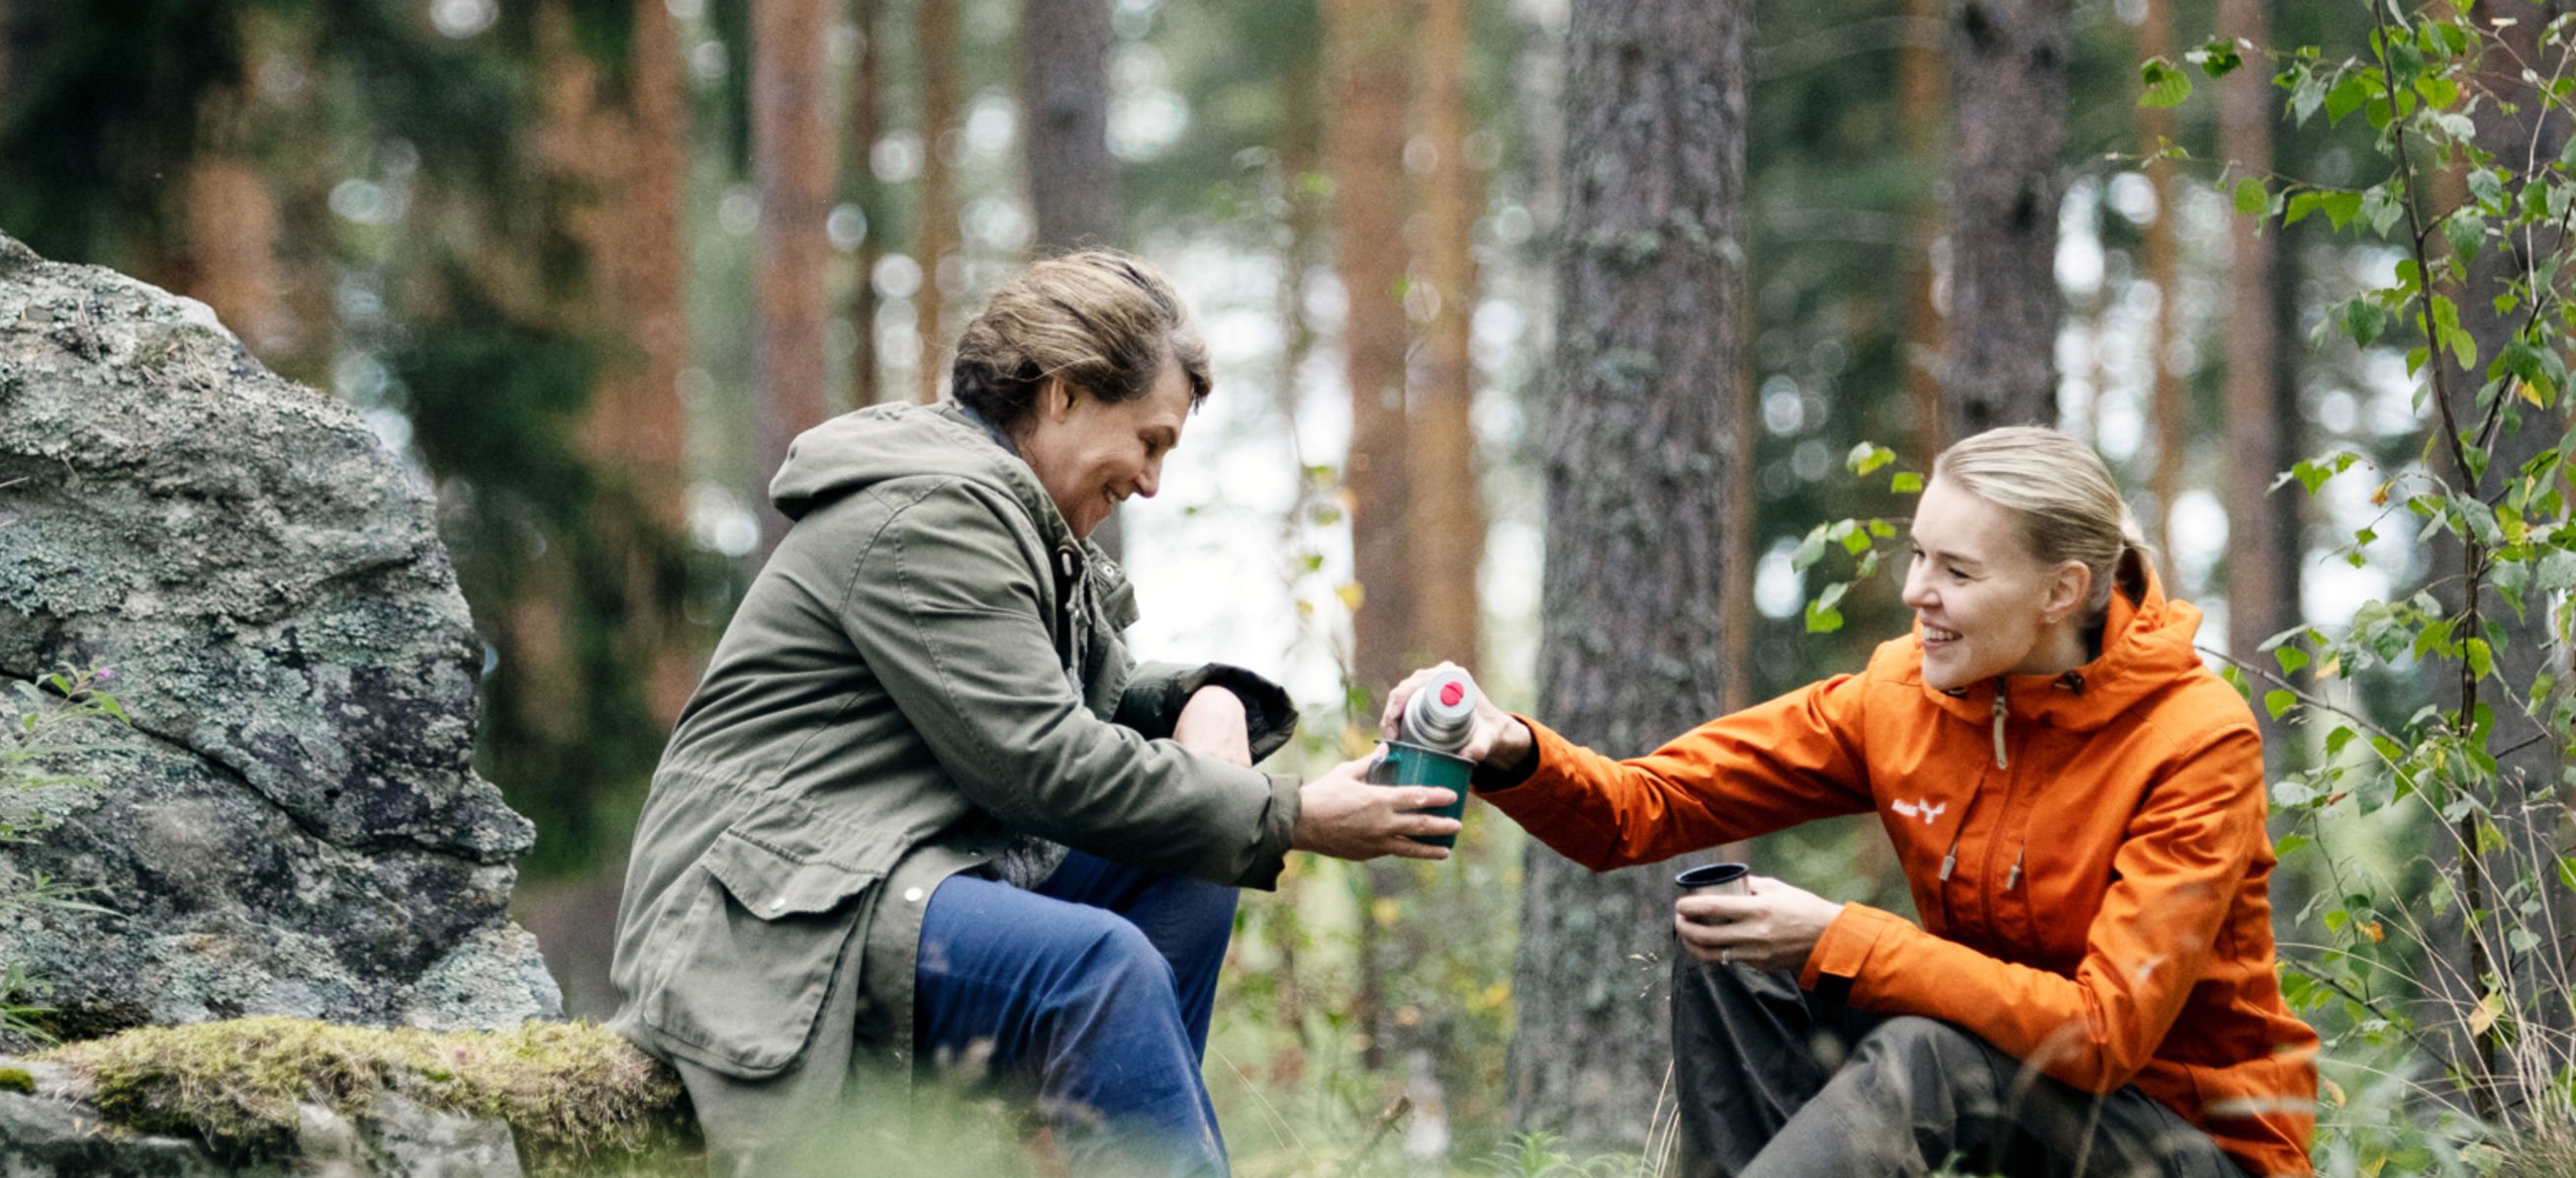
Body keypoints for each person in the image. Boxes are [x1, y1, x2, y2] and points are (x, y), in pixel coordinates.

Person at [609, 249, 1457, 1175]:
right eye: (1151, 440)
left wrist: (1207, 697)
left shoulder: (1003, 511)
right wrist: (1290, 813)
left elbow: (1076, 694)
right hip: (775, 917)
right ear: (1061, 395)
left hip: (875, 877)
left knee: (1187, 874)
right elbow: (1039, 759)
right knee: (1096, 969)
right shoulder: (933, 513)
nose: (1150, 481)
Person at [1397, 426, 2318, 1177]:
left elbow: (2100, 1034)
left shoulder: (2196, 738)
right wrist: (1509, 747)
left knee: (1931, 1057)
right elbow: (1648, 804)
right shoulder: (1901, 697)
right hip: (2009, 1092)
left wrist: (1840, 936)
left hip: (2193, 1148)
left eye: (1958, 572)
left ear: (2061, 591)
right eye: (1920, 556)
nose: (1918, 593)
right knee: (1732, 949)